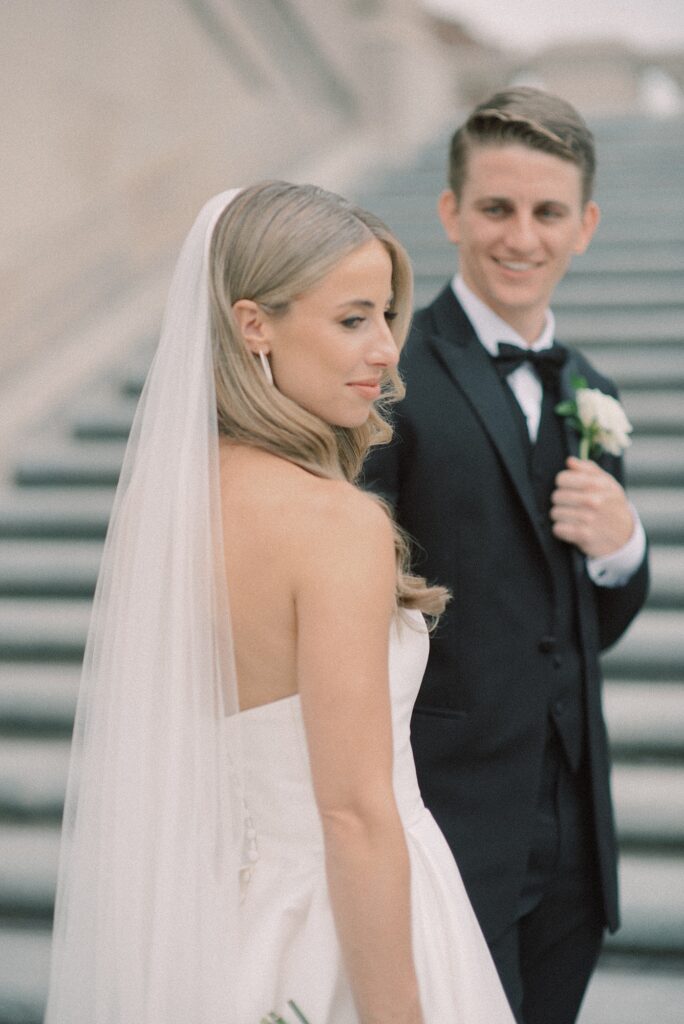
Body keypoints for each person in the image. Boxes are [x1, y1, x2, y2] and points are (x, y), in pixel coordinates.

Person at [44, 181, 516, 1024]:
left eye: (387, 316)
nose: (385, 352)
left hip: (220, 926)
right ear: (254, 323)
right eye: (352, 319)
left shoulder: (176, 507)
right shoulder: (334, 523)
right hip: (342, 931)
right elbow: (355, 813)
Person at [363, 88, 649, 1024]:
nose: (520, 236)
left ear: (585, 225)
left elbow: (581, 624)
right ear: (450, 212)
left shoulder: (594, 391)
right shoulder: (390, 377)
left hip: (572, 835)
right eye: (496, 207)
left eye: (547, 212)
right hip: (446, 819)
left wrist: (623, 551)